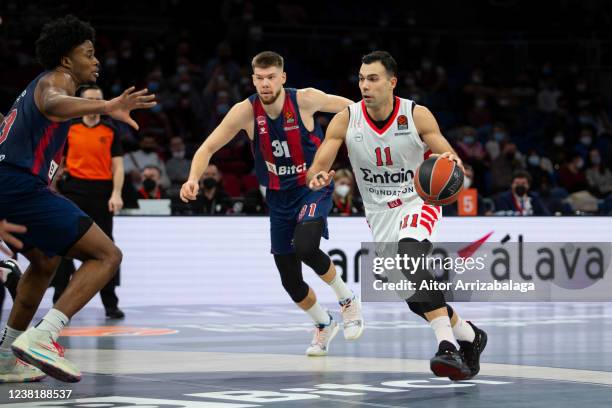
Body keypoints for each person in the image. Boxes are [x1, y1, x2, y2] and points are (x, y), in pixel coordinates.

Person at [308, 51, 486, 380]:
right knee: (414, 299)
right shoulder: (346, 119)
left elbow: (446, 155)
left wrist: (454, 164)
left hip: (418, 200)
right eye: (361, 78)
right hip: (379, 213)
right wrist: (317, 176)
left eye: (373, 78)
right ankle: (470, 337)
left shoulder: (416, 115)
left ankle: (447, 347)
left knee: (410, 256)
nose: (365, 85)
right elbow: (319, 165)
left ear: (392, 82)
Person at [0, 15, 155, 383]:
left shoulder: (34, 87)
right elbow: (54, 103)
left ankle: (7, 357)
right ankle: (44, 335)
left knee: (44, 262)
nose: (96, 60)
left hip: (12, 186)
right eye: (88, 53)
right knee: (107, 255)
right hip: (18, 186)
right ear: (67, 60)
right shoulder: (55, 82)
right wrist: (106, 107)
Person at [180, 51, 363, 356]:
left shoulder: (305, 99)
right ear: (253, 79)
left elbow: (353, 109)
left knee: (306, 246)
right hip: (278, 197)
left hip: (312, 186)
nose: (265, 84)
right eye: (260, 78)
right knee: (290, 281)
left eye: (271, 77)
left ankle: (347, 301)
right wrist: (192, 178)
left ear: (283, 77)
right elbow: (208, 146)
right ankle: (323, 323)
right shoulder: (245, 111)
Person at [50, 84, 126, 319]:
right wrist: (51, 188)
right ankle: (59, 303)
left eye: (98, 99)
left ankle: (110, 303)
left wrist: (116, 193)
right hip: (73, 191)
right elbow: (56, 161)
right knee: (64, 246)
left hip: (102, 194)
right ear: (81, 101)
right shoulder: (69, 128)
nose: (94, 103)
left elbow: (118, 166)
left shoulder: (110, 130)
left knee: (107, 248)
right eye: (90, 99)